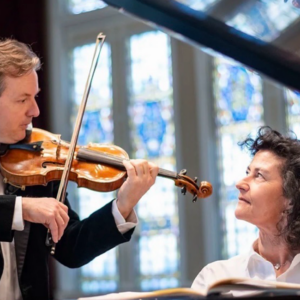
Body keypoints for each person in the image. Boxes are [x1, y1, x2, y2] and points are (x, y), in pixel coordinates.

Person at [0, 38, 159, 300]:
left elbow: (71, 249)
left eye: (36, 97)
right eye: (22, 100)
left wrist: (123, 204)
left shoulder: (38, 160)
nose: (35, 110)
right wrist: (23, 208)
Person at [192, 126, 300, 292]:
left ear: (291, 198)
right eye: (248, 172)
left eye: (259, 175)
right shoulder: (216, 279)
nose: (240, 184)